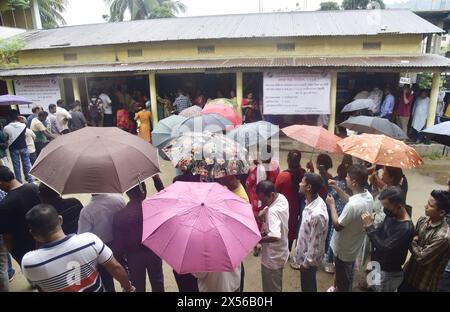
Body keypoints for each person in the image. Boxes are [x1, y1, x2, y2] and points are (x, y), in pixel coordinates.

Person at [21, 204, 135, 292]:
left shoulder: (29, 262)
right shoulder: (89, 240)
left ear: (33, 233)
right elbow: (115, 267)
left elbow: (38, 284)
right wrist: (128, 288)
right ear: (60, 220)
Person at [325, 164, 374, 292]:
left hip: (344, 250)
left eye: (347, 176)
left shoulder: (353, 206)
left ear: (354, 182)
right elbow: (350, 200)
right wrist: (337, 188)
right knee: (346, 275)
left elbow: (337, 226)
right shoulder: (367, 196)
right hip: (353, 246)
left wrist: (332, 206)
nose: (345, 178)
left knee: (344, 282)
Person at [361, 186, 415, 292]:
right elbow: (380, 233)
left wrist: (370, 227)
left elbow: (383, 246)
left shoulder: (405, 228)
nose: (385, 210)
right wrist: (372, 226)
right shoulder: (392, 215)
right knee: (372, 288)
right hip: (377, 265)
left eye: (387, 207)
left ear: (399, 206)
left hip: (388, 273)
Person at [113, 183, 164, 292]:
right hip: (153, 253)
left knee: (137, 287)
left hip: (133, 257)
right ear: (144, 192)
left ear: (127, 194)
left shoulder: (119, 216)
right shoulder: (153, 209)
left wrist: (123, 264)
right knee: (158, 284)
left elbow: (117, 246)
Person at [399, 190, 450, 292]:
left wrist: (413, 242)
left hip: (424, 285)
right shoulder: (423, 220)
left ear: (442, 212)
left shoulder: (444, 237)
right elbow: (409, 238)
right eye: (427, 203)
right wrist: (413, 241)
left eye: (430, 206)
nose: (425, 206)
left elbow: (422, 258)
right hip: (408, 275)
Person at [78, 193, 126, 292]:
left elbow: (82, 236)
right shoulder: (118, 199)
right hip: (121, 244)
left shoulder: (86, 211)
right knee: (124, 272)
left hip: (101, 250)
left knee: (107, 281)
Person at [0, 166, 41, 264]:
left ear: (1, 183)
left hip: (24, 250)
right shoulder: (34, 187)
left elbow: (7, 236)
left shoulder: (4, 204)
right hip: (42, 239)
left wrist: (13, 253)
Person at [296, 173, 329, 292]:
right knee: (308, 285)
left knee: (308, 287)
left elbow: (315, 243)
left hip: (308, 261)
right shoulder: (312, 202)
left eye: (302, 182)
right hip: (304, 257)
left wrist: (306, 264)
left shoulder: (317, 214)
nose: (299, 183)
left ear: (308, 187)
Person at [246, 145, 279, 255]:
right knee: (265, 221)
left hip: (257, 198)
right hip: (269, 199)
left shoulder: (257, 170)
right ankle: (262, 241)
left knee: (256, 222)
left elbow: (248, 183)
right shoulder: (275, 168)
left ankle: (256, 244)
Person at [256, 180, 289, 292]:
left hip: (272, 258)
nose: (263, 203)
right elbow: (272, 205)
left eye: (264, 200)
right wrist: (265, 210)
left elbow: (275, 236)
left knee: (271, 288)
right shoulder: (282, 198)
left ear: (272, 195)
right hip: (281, 252)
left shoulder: (273, 212)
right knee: (276, 284)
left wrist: (259, 240)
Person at [275, 150, 306, 254]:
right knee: (292, 228)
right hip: (296, 207)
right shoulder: (303, 173)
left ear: (287, 160)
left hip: (283, 207)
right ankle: (288, 250)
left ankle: (281, 250)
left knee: (281, 228)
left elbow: (276, 192)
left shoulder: (282, 176)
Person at [3, 110, 33, 183]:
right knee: (26, 163)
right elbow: (25, 135)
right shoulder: (23, 125)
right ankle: (30, 179)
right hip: (23, 146)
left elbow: (5, 138)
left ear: (9, 117)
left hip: (13, 148)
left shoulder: (6, 128)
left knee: (16, 165)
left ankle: (19, 181)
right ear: (17, 117)